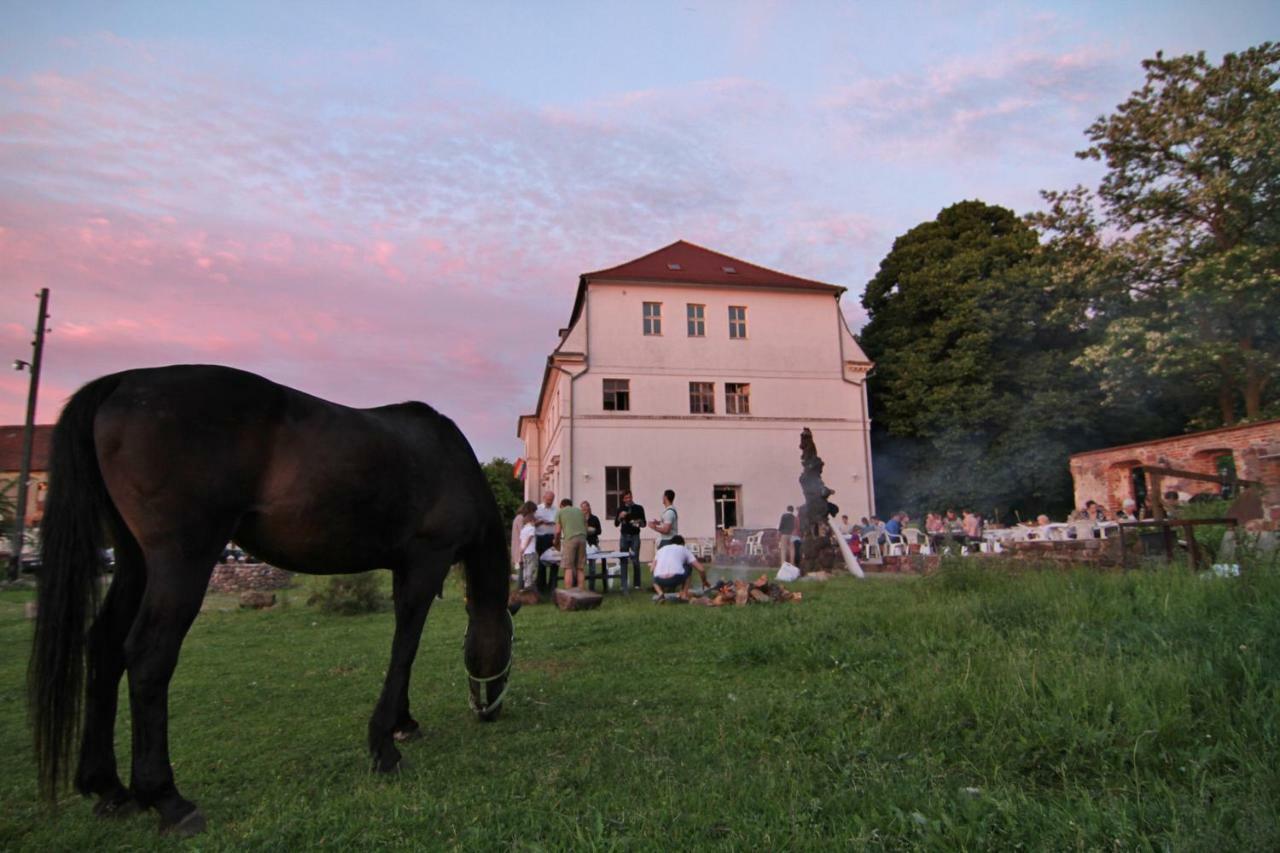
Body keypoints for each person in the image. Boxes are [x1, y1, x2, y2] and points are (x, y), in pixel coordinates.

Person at [650, 535, 708, 602]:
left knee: (655, 573)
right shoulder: (683, 549)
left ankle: (660, 593)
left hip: (658, 580)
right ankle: (684, 594)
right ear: (682, 544)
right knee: (688, 566)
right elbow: (701, 569)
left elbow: (651, 570)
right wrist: (704, 581)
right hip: (676, 578)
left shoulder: (660, 550)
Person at [613, 490, 646, 589]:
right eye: (626, 498)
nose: (628, 500)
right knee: (623, 559)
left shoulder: (638, 508)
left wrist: (638, 522)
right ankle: (624, 584)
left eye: (630, 497)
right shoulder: (621, 509)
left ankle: (637, 584)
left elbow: (644, 524)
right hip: (624, 536)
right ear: (623, 499)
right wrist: (620, 517)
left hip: (635, 535)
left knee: (635, 559)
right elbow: (616, 524)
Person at [555, 498, 588, 590]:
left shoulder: (560, 512)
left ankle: (569, 593)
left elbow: (557, 531)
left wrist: (556, 542)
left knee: (568, 567)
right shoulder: (580, 511)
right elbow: (586, 528)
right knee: (580, 567)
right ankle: (581, 592)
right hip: (582, 538)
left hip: (570, 539)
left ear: (561, 506)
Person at [533, 490, 558, 593]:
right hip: (541, 537)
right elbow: (532, 523)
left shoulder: (555, 510)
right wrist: (541, 521)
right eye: (548, 500)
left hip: (552, 537)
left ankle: (552, 586)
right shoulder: (538, 509)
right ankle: (541, 586)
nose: (549, 502)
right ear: (544, 498)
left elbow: (558, 522)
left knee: (554, 562)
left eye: (551, 500)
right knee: (542, 562)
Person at [516, 501, 539, 591]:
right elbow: (530, 538)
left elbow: (521, 539)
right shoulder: (532, 528)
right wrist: (525, 547)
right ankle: (529, 587)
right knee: (531, 569)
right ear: (532, 520)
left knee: (525, 569)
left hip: (524, 553)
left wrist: (521, 549)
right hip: (531, 551)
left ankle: (525, 586)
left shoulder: (524, 529)